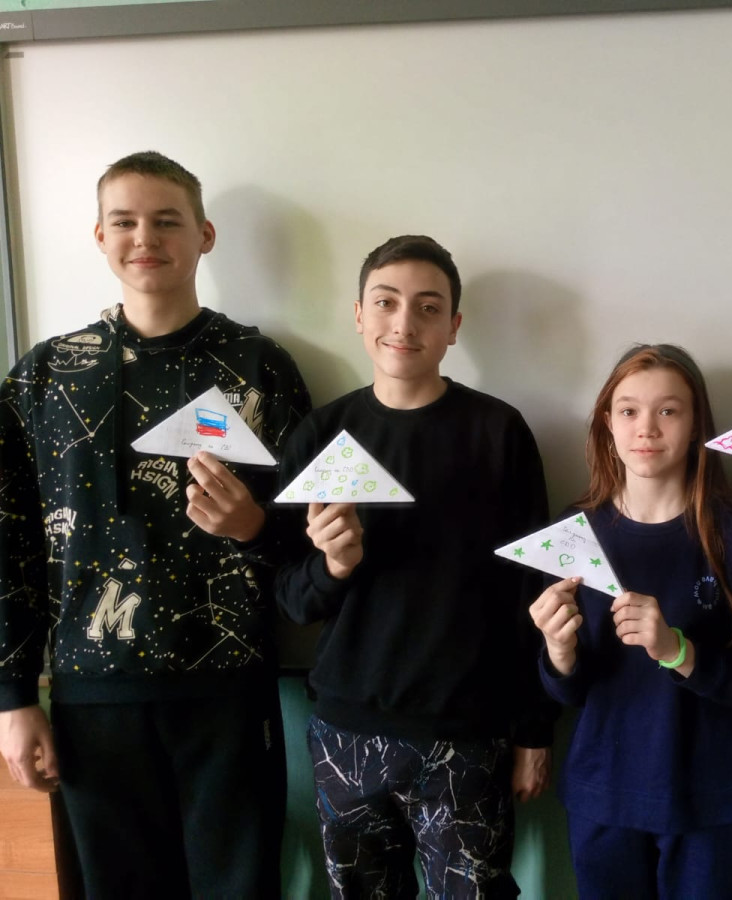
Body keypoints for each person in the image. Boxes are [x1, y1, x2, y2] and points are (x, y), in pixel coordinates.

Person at [0, 151, 310, 897]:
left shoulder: (260, 365)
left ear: (204, 235)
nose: (145, 238)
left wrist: (254, 526)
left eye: (167, 221)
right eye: (125, 222)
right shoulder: (44, 375)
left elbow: (314, 536)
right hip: (91, 695)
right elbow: (10, 543)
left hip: (229, 690)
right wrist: (13, 698)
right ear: (99, 237)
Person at [275, 234, 555, 899]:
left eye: (428, 308)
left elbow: (532, 592)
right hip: (346, 730)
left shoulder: (499, 431)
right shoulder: (321, 435)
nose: (404, 323)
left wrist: (534, 731)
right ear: (358, 315)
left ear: (453, 327)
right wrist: (333, 566)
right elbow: (290, 598)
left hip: (468, 731)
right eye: (386, 302)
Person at [530, 343, 732, 900]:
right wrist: (558, 654)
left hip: (712, 796)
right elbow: (567, 690)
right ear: (607, 424)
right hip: (604, 795)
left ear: (696, 425)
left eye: (668, 410)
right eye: (629, 410)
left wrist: (677, 650)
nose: (647, 428)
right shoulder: (576, 532)